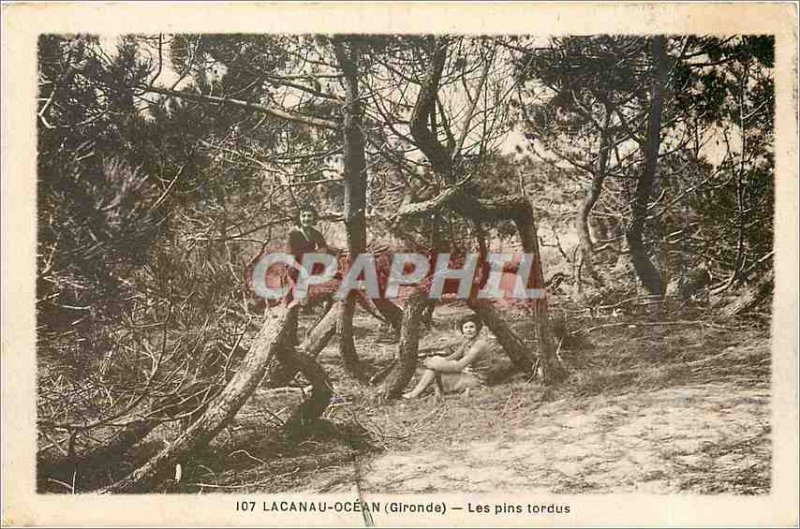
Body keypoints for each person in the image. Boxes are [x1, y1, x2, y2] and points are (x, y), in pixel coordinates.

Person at [402, 314, 493, 399]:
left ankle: (415, 394)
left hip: (476, 379)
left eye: (472, 327)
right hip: (466, 374)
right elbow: (453, 357)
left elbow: (459, 366)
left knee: (433, 370)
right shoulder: (468, 341)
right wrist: (436, 360)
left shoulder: (479, 344)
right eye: (465, 327)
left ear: (478, 328)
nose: (468, 330)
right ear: (462, 330)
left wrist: (435, 364)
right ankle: (417, 392)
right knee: (434, 367)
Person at [285, 205, 330, 307]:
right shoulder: (293, 234)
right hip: (295, 265)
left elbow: (323, 247)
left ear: (314, 217)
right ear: (299, 218)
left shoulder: (315, 233)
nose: (306, 219)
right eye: (303, 216)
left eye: (309, 216)